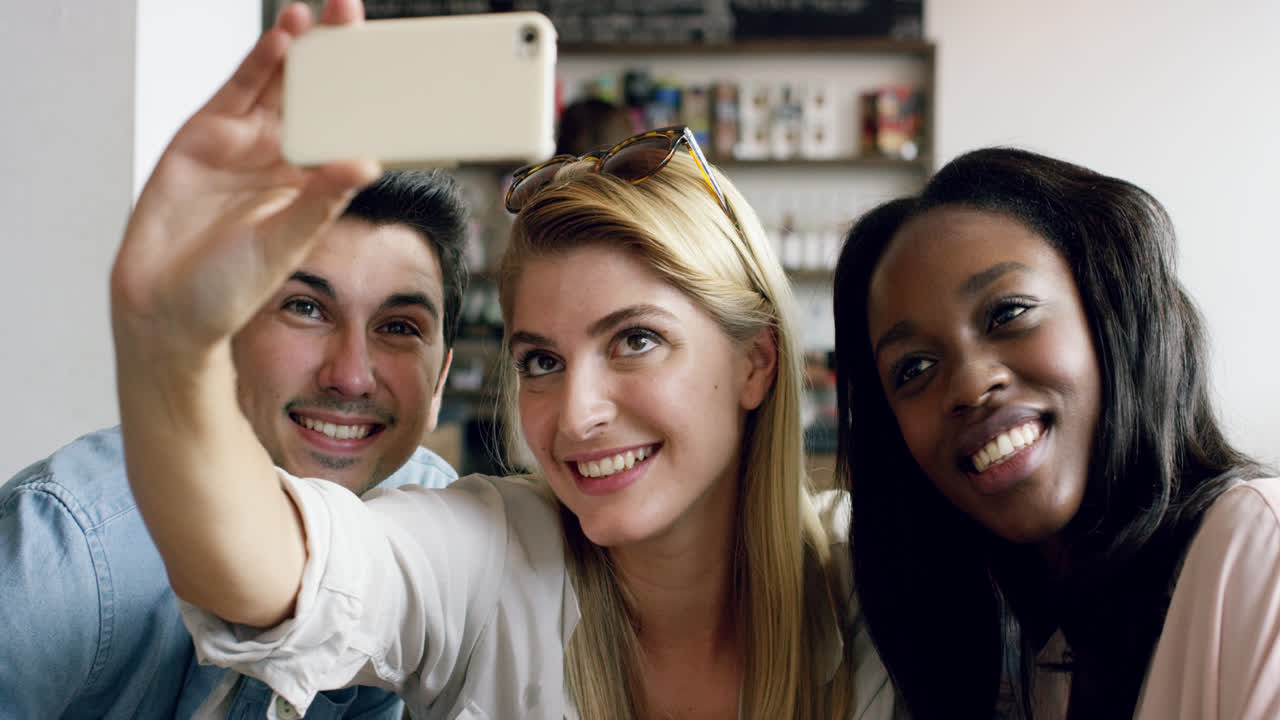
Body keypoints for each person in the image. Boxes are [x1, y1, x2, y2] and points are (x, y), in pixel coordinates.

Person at [109, 2, 894, 718]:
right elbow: (271, 572)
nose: (579, 414)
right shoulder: (491, 554)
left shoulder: (878, 585)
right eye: (542, 361)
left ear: (757, 361)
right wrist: (166, 344)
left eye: (635, 340)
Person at [1, 165, 468, 720]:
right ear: (227, 334)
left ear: (439, 380)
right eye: (306, 308)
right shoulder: (71, 546)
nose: (351, 375)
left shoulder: (443, 529)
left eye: (399, 327)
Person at [831, 146, 1279, 719]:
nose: (970, 385)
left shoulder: (1256, 543)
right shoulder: (1029, 647)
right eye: (914, 368)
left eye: (1007, 313)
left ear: (1106, 308)